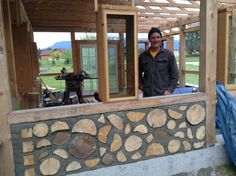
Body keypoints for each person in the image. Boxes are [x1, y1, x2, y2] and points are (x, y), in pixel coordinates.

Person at [139, 27, 179, 97]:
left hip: (164, 94)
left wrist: (169, 90)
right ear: (149, 39)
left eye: (158, 37)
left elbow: (175, 75)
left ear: (161, 39)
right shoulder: (143, 56)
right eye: (153, 38)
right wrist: (141, 85)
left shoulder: (169, 55)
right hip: (147, 94)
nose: (156, 40)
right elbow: (137, 74)